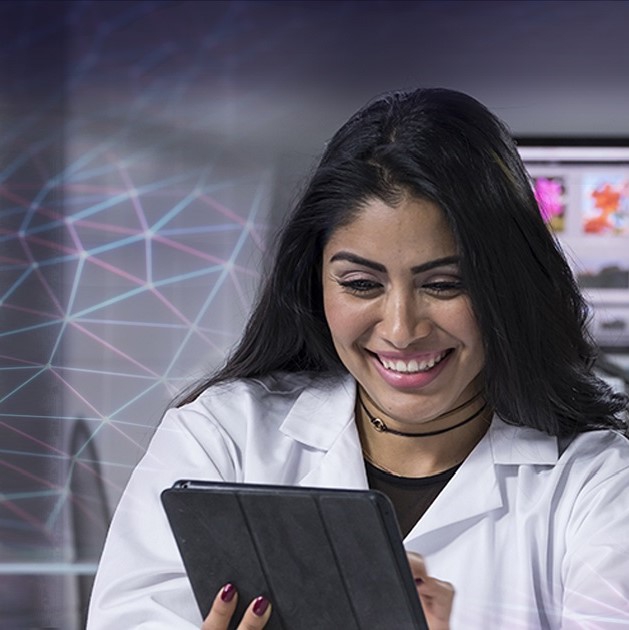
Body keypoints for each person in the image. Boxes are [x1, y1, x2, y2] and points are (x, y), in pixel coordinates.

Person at [87, 87, 629, 629]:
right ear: (315, 282)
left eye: (444, 284)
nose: (401, 329)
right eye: (361, 283)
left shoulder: (597, 482)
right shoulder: (223, 436)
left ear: (508, 285)